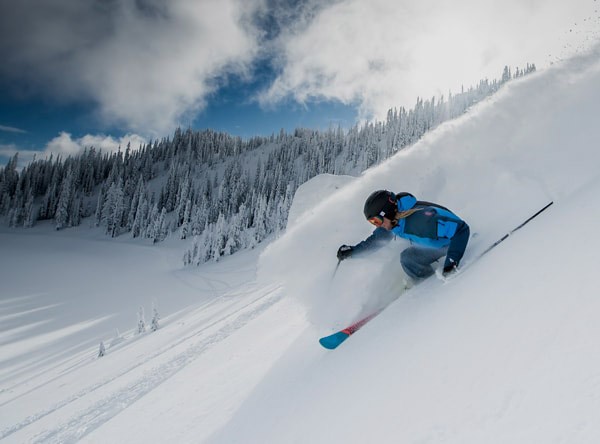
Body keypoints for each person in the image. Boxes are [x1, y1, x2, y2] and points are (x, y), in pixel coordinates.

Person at [336, 190, 470, 281]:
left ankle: (431, 287)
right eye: (372, 222)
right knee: (408, 258)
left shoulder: (420, 221)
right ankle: (427, 282)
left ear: (387, 213)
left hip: (451, 243)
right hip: (435, 243)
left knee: (408, 258)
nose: (376, 225)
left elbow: (461, 229)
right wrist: (353, 251)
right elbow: (376, 241)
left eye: (376, 220)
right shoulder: (395, 222)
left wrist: (450, 265)